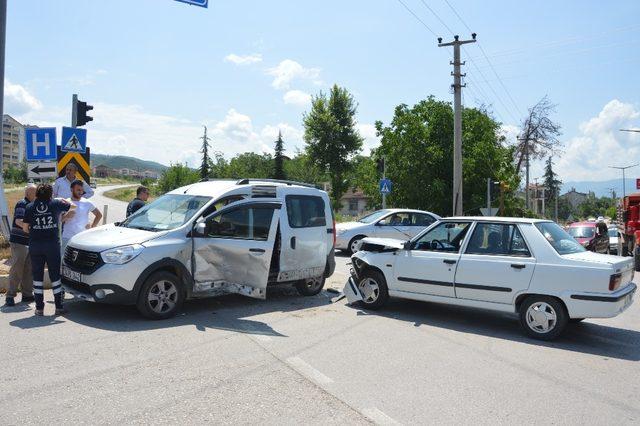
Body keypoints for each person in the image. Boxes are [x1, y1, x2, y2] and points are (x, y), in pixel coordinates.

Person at [22, 183, 74, 316]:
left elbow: (25, 228)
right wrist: (61, 215)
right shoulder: (56, 204)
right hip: (52, 246)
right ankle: (58, 307)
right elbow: (73, 206)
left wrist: (36, 230)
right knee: (55, 276)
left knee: (37, 277)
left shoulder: (29, 207)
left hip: (35, 246)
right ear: (51, 194)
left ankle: (39, 308)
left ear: (37, 193)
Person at [4, 184, 36, 307]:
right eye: (35, 192)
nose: (37, 195)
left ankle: (27, 294)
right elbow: (19, 221)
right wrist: (33, 228)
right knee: (17, 268)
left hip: (29, 242)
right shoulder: (23, 203)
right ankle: (10, 296)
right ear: (28, 193)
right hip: (19, 242)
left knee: (29, 269)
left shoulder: (33, 204)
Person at [61, 180, 103, 251]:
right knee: (64, 259)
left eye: (82, 190)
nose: (81, 192)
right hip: (67, 237)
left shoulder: (87, 202)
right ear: (71, 189)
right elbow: (59, 220)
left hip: (82, 237)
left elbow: (99, 215)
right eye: (78, 190)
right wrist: (66, 216)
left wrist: (92, 227)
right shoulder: (65, 202)